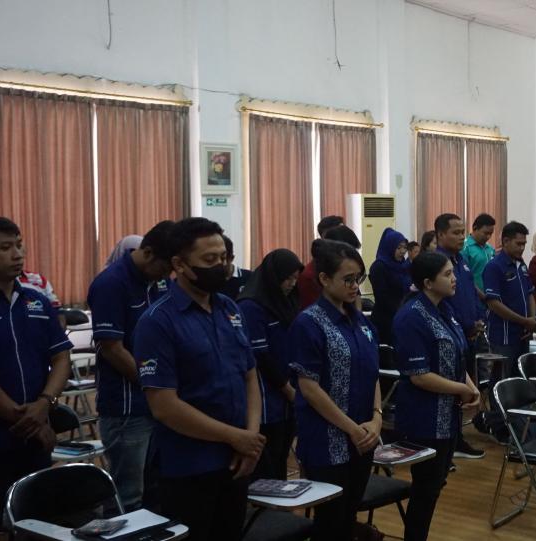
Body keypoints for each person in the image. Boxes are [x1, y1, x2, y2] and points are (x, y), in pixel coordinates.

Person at [135, 218, 265, 540]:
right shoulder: (157, 322)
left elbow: (250, 376)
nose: (221, 266)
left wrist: (249, 439)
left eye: (223, 257)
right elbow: (164, 406)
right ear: (180, 265)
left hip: (237, 461)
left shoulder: (230, 308)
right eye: (209, 260)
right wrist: (235, 437)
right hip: (188, 467)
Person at [290, 241, 381, 541]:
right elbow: (309, 387)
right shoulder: (309, 323)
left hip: (363, 437)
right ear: (324, 279)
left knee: (349, 515)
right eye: (348, 279)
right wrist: (352, 429)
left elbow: (372, 372)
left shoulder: (361, 322)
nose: (355, 286)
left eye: (359, 278)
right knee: (330, 522)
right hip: (327, 441)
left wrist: (377, 418)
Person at [393, 252, 481, 541]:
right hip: (425, 418)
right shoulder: (411, 317)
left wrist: (471, 387)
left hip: (448, 417)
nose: (454, 279)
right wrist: (462, 389)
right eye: (447, 274)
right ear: (428, 282)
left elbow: (457, 357)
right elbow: (419, 376)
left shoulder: (445, 309)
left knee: (435, 485)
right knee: (426, 489)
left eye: (453, 272)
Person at [87, 220, 175, 510]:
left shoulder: (159, 281)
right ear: (147, 253)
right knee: (128, 495)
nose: (168, 275)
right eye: (166, 267)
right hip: (127, 407)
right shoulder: (111, 283)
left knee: (157, 487)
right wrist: (153, 384)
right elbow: (112, 349)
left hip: (160, 403)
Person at [0, 217, 72, 500]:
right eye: (5, 248)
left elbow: (61, 357)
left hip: (37, 434)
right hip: (15, 429)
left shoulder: (36, 301)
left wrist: (45, 404)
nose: (17, 254)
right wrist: (33, 421)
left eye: (19, 245)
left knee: (36, 511)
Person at [237, 249, 303, 481]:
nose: (291, 284)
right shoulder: (251, 305)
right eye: (287, 278)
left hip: (288, 394)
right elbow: (261, 357)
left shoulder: (286, 301)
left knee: (281, 460)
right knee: (266, 468)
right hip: (266, 397)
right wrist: (288, 390)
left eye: (295, 278)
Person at [433, 213, 485, 459]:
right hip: (453, 332)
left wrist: (478, 318)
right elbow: (444, 303)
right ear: (440, 234)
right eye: (456, 232)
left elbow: (470, 293)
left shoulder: (461, 260)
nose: (462, 237)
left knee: (465, 384)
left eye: (463, 232)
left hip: (469, 333)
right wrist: (465, 324)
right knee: (453, 390)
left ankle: (457, 438)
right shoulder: (437, 263)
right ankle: (452, 442)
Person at [483, 221, 536, 390]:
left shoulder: (521, 265)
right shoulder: (494, 267)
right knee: (502, 380)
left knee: (520, 378)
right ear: (506, 241)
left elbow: (530, 294)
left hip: (523, 332)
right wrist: (524, 321)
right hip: (503, 335)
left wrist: (531, 319)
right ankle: (496, 408)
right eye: (518, 243)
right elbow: (493, 304)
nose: (522, 248)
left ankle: (518, 408)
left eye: (524, 244)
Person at [298, 223, 362, 310]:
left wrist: (357, 315)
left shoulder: (347, 270)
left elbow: (357, 297)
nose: (355, 286)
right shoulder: (309, 276)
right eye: (349, 253)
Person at [370, 227, 413, 345]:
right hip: (385, 320)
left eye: (405, 247)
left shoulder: (404, 266)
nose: (403, 251)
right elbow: (382, 297)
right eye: (399, 248)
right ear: (389, 247)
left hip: (404, 316)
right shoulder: (379, 266)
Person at [462, 213, 496, 292]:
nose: (488, 237)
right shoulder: (465, 248)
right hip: (473, 295)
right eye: (485, 233)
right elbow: (465, 277)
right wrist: (481, 295)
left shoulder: (490, 248)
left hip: (490, 294)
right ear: (475, 228)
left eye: (490, 234)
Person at [221, 235, 253, 300]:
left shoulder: (251, 278)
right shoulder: (208, 280)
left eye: (222, 259)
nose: (217, 263)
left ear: (231, 258)